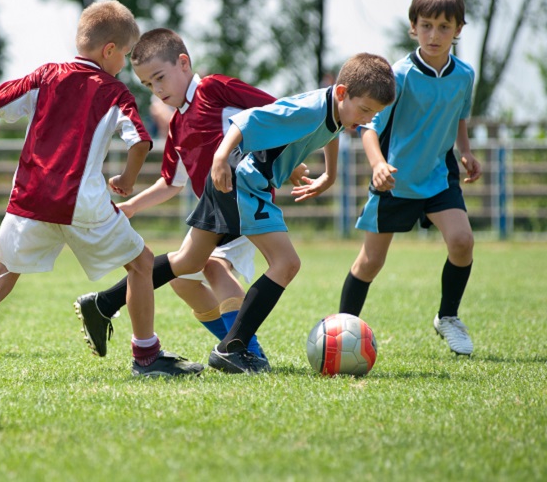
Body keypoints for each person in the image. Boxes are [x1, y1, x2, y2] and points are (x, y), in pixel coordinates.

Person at [0, 0, 203, 382]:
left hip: (29, 203)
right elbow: (139, 141)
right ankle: (146, 356)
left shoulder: (47, 74)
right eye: (123, 56)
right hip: (83, 205)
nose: (124, 65)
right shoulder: (115, 92)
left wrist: (41, 80)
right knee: (141, 264)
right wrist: (126, 179)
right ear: (109, 51)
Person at [79, 52, 397, 374]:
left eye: (374, 114)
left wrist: (328, 174)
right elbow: (249, 119)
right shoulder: (311, 107)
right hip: (246, 182)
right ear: (342, 93)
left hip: (232, 180)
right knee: (286, 263)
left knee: (189, 261)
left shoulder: (336, 110)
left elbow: (333, 129)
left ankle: (105, 302)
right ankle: (233, 347)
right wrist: (220, 156)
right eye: (365, 110)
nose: (366, 119)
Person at [75, 28, 307, 361]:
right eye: (148, 85)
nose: (157, 90)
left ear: (184, 63)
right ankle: (236, 348)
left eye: (160, 78)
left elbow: (276, 112)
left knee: (212, 268)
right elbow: (171, 182)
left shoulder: (214, 89)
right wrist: (131, 206)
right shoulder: (179, 125)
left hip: (247, 200)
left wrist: (290, 160)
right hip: (217, 209)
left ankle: (245, 351)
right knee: (183, 279)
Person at [338, 0, 481, 356]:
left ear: (459, 31)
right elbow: (369, 129)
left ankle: (447, 317)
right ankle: (341, 332)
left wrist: (465, 152)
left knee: (462, 241)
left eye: (444, 27)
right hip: (395, 183)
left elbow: (459, 119)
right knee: (370, 262)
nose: (434, 34)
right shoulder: (398, 76)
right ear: (412, 27)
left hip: (438, 178)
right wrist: (379, 165)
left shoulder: (464, 76)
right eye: (427, 25)